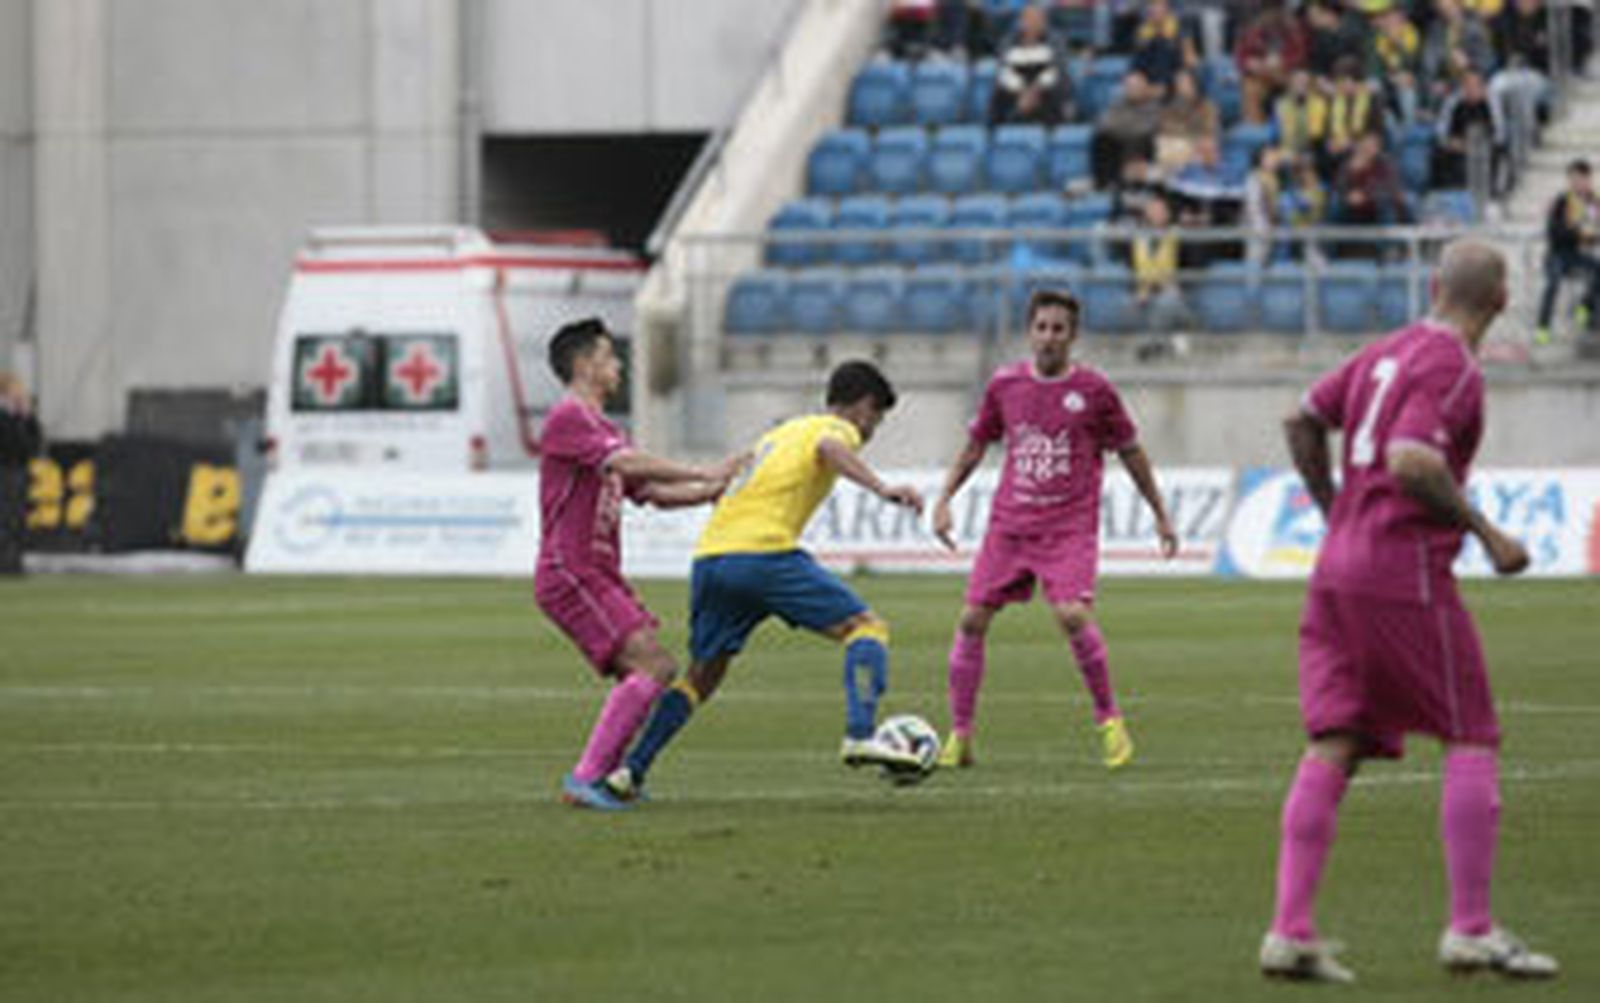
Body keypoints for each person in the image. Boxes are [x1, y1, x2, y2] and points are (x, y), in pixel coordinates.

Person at [1259, 239, 1560, 984]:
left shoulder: (1383, 349)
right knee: (1472, 730)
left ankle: (1289, 931)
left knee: (1339, 738)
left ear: (1432, 285)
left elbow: (1299, 419)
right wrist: (1488, 535)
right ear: (1500, 302)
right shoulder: (1453, 366)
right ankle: (1471, 927)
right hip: (1403, 571)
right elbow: (1412, 459)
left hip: (1335, 571)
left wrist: (1335, 510)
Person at [606, 361, 928, 798]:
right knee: (866, 628)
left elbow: (727, 479)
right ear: (864, 407)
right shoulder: (838, 429)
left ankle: (631, 772)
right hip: (763, 553)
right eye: (877, 418)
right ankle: (860, 733)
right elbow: (832, 449)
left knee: (702, 677)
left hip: (711, 557)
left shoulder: (776, 436)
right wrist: (881, 487)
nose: (872, 431)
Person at [930, 290, 1179, 771]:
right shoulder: (1004, 386)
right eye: (1041, 327)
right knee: (970, 620)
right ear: (1030, 331)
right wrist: (944, 500)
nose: (1048, 337)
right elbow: (975, 446)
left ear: (1073, 335)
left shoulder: (1094, 391)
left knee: (1071, 616)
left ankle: (1110, 723)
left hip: (1068, 527)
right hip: (1010, 526)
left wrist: (1161, 514)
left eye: (1058, 329)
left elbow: (1131, 451)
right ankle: (959, 736)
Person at [533, 318, 745, 811]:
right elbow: (626, 465)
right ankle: (586, 778)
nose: (618, 365)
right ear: (585, 364)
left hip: (597, 573)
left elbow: (647, 492)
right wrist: (704, 469)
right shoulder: (570, 418)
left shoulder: (603, 429)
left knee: (652, 670)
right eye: (609, 357)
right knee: (654, 665)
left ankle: (603, 777)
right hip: (573, 571)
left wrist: (708, 492)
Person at [1535, 159, 1600, 343]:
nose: (1576, 183)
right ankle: (1543, 327)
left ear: (1589, 179)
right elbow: (1553, 232)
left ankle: (1585, 307)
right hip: (1557, 254)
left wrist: (1592, 234)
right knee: (1553, 282)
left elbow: (1594, 231)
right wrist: (1578, 232)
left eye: (1580, 179)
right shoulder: (1561, 201)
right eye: (1572, 179)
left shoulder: (1594, 202)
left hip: (1578, 254)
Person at [990, 4, 1070, 126]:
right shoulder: (1009, 42)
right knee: (999, 92)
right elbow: (1004, 70)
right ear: (1022, 22)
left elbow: (1057, 70)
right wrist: (1021, 93)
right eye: (1029, 19)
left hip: (1044, 92)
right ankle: (996, 135)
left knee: (1059, 88)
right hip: (1016, 93)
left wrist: (1034, 92)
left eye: (1038, 19)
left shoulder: (1055, 41)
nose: (1033, 24)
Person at [0, 371, 42, 576]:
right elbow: (11, 443)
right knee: (6, 519)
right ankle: (5, 563)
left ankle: (14, 562)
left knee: (18, 519)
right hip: (5, 470)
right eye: (15, 389)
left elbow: (34, 443)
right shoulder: (4, 417)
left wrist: (28, 417)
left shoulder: (19, 417)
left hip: (19, 471)